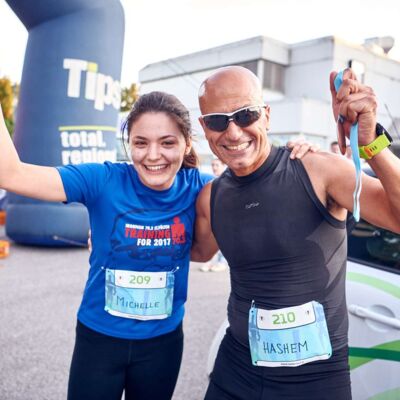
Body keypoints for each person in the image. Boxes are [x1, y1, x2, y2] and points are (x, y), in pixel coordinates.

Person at [0, 90, 314, 400]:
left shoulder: (203, 188)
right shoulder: (102, 180)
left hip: (161, 346)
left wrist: (296, 158)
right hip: (99, 340)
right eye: (140, 143)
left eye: (167, 143)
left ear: (187, 144)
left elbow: (265, 185)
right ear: (129, 144)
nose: (153, 155)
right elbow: (11, 175)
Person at [191, 66, 400, 400]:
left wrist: (371, 143)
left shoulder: (319, 169)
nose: (233, 132)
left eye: (246, 115)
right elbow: (197, 251)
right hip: (236, 370)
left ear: (266, 116)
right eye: (218, 121)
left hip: (316, 381)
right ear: (204, 127)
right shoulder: (211, 196)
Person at [200, 157, 228, 272]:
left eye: (217, 165)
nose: (214, 167)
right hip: (212, 215)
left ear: (223, 166)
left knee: (223, 240)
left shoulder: (228, 180)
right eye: (213, 165)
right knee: (211, 239)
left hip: (225, 215)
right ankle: (210, 262)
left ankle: (222, 262)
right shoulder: (210, 181)